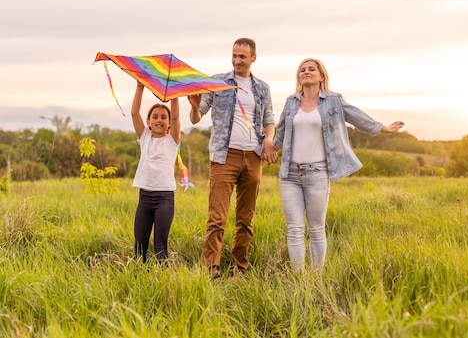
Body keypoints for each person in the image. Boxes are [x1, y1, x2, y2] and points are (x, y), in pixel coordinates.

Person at [272, 58, 404, 271]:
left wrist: (382, 128)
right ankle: (298, 278)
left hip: (317, 173)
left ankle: (317, 279)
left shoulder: (334, 100)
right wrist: (269, 148)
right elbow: (281, 132)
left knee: (316, 229)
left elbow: (357, 117)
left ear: (321, 75)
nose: (306, 72)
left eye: (311, 69)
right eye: (302, 70)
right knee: (294, 229)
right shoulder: (290, 102)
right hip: (290, 174)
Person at [188, 37, 277, 278]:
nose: (237, 60)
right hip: (224, 156)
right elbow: (196, 118)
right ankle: (212, 271)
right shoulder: (216, 82)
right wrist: (195, 106)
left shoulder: (262, 88)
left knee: (246, 218)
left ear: (253, 58)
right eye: (234, 55)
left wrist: (269, 140)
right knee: (217, 217)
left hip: (253, 156)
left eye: (242, 56)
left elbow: (269, 120)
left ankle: (240, 267)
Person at [130, 81, 181, 262]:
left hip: (164, 199)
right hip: (144, 198)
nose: (159, 120)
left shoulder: (172, 140)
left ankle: (162, 281)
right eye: (155, 117)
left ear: (168, 124)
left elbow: (176, 118)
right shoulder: (144, 137)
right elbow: (134, 113)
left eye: (163, 117)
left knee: (160, 245)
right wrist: (140, 86)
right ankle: (139, 279)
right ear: (149, 122)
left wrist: (174, 94)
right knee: (139, 244)